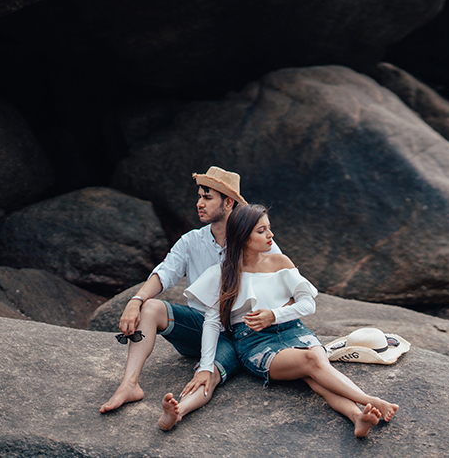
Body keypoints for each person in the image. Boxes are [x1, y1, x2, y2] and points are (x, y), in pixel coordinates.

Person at [160, 204, 399, 437]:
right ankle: (369, 400)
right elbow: (212, 323)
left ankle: (357, 417)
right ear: (243, 236)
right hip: (254, 342)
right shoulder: (221, 273)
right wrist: (205, 367)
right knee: (313, 361)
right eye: (261, 230)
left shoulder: (281, 262)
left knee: (315, 375)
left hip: (293, 329)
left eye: (269, 228)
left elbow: (308, 304)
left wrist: (273, 315)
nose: (270, 235)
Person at [99, 166, 282, 418]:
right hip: (200, 327)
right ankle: (129, 385)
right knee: (150, 307)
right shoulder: (191, 241)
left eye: (207, 197)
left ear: (228, 203)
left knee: (208, 374)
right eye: (199, 197)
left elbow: (284, 280)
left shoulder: (255, 238)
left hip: (240, 336)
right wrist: (136, 300)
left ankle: (178, 411)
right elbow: (164, 273)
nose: (199, 203)